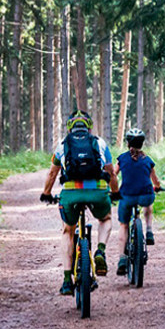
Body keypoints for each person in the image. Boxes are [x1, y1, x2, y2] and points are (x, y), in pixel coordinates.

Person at [41, 110, 119, 296]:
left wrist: (46, 193)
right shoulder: (100, 143)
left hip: (71, 194)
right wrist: (115, 192)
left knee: (68, 230)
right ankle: (100, 251)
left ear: (70, 127)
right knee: (105, 219)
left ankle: (67, 280)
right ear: (89, 126)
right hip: (97, 193)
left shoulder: (62, 145)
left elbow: (52, 173)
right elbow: (111, 172)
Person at [113, 128, 163, 276]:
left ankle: (122, 258)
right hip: (145, 195)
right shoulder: (147, 160)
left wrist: (113, 190)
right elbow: (155, 180)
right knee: (148, 201)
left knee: (123, 225)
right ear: (142, 143)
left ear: (127, 143)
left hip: (127, 196)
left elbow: (113, 175)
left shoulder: (122, 159)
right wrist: (158, 187)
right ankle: (148, 230)